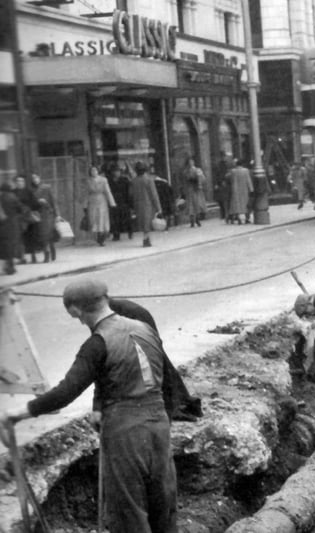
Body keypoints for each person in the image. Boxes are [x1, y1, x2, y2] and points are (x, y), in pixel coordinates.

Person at [0, 279, 178, 533]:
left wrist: (18, 413)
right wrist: (98, 403)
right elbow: (130, 368)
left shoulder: (96, 344)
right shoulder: (144, 328)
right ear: (105, 299)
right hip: (159, 424)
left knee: (128, 512)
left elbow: (65, 392)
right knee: (163, 504)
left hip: (125, 431)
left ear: (75, 311)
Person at [108, 297, 203, 422]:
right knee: (160, 362)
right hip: (137, 319)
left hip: (137, 320)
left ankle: (176, 405)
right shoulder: (98, 306)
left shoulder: (95, 311)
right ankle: (181, 401)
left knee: (156, 363)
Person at [130, 161, 162, 248]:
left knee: (143, 222)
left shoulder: (134, 181)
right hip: (148, 204)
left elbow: (131, 194)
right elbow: (154, 194)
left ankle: (146, 238)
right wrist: (158, 207)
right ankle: (146, 239)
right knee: (147, 222)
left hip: (137, 204)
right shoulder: (148, 180)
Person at [84, 165, 116, 246]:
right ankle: (98, 235)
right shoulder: (88, 181)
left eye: (95, 170)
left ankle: (102, 236)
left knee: (102, 218)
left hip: (102, 200)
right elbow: (86, 193)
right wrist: (85, 204)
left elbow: (108, 191)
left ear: (98, 171)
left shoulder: (103, 180)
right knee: (94, 218)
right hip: (92, 201)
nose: (94, 172)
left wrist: (112, 202)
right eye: (92, 171)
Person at [30, 173, 59, 263]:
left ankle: (50, 251)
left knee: (47, 234)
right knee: (43, 235)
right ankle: (47, 253)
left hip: (48, 214)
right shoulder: (31, 190)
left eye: (36, 177)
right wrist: (37, 202)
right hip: (38, 215)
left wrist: (57, 214)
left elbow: (54, 201)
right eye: (33, 178)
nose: (35, 180)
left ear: (40, 178)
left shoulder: (46, 187)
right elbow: (31, 204)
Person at [14, 176, 42, 263]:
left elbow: (35, 203)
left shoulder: (29, 192)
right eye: (18, 181)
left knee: (31, 238)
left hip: (29, 219)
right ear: (16, 183)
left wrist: (32, 209)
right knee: (20, 239)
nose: (20, 183)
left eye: (21, 181)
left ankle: (33, 257)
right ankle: (22, 258)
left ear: (24, 182)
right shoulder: (13, 192)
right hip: (18, 219)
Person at [0, 180, 24, 275]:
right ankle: (10, 268)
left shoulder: (0, 198)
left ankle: (8, 267)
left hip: (1, 225)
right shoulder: (13, 197)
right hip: (12, 225)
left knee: (4, 246)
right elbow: (21, 209)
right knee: (11, 246)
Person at [107, 165, 133, 241]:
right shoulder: (109, 181)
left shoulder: (124, 180)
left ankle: (130, 232)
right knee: (115, 219)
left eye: (118, 171)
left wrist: (130, 203)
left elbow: (129, 192)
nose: (116, 173)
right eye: (115, 171)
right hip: (114, 201)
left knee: (127, 218)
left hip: (124, 201)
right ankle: (116, 235)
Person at [181, 158, 207, 228]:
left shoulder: (197, 170)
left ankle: (197, 219)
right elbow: (185, 180)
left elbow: (203, 179)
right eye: (190, 162)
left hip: (196, 190)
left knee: (197, 205)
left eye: (192, 162)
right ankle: (192, 221)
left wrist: (199, 179)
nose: (191, 163)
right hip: (190, 190)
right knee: (191, 206)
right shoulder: (186, 171)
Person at [226, 158, 253, 224]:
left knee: (236, 204)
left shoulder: (233, 171)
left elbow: (228, 178)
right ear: (242, 164)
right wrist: (251, 189)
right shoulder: (246, 170)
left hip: (236, 190)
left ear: (236, 164)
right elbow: (248, 180)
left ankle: (238, 218)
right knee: (246, 204)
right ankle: (247, 218)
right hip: (244, 190)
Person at [151, 165, 175, 231]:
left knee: (161, 213)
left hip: (159, 200)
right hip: (166, 199)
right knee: (167, 213)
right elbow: (171, 191)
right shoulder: (165, 181)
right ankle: (167, 226)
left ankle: (160, 226)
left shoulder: (153, 183)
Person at [214, 152, 231, 222]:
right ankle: (224, 214)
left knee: (226, 200)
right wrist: (218, 183)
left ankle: (227, 214)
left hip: (227, 184)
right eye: (223, 156)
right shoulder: (219, 165)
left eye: (224, 156)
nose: (224, 158)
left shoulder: (228, 164)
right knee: (222, 200)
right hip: (222, 184)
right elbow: (217, 175)